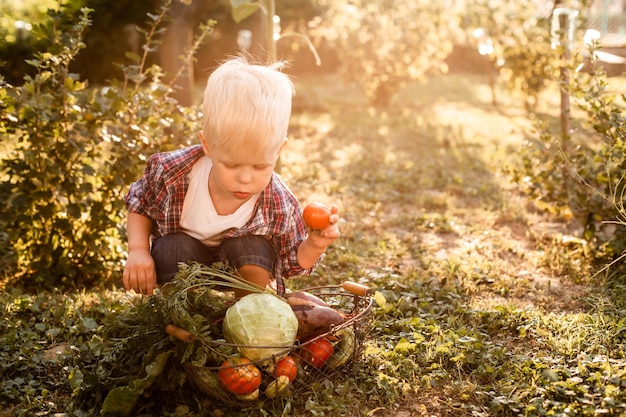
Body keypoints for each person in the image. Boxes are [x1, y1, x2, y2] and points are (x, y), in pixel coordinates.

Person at [122, 56, 340, 298]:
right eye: (231, 164)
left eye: (260, 166)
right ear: (207, 145)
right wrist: (138, 250)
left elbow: (289, 263)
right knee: (172, 247)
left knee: (253, 246)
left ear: (278, 151)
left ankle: (248, 308)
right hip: (183, 266)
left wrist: (314, 245)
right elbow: (140, 203)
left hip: (239, 271)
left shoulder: (278, 202)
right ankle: (185, 315)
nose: (245, 178)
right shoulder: (172, 171)